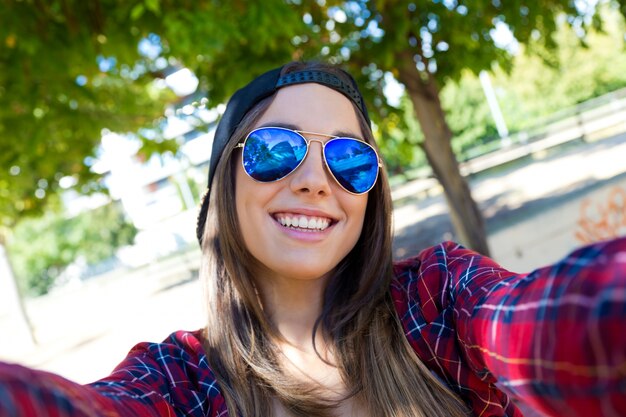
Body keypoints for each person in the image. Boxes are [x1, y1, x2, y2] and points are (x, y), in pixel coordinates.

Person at [1, 61, 625, 417]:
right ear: (225, 185)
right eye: (278, 150)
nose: (315, 182)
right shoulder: (177, 382)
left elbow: (556, 328)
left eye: (349, 159)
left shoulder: (438, 300)